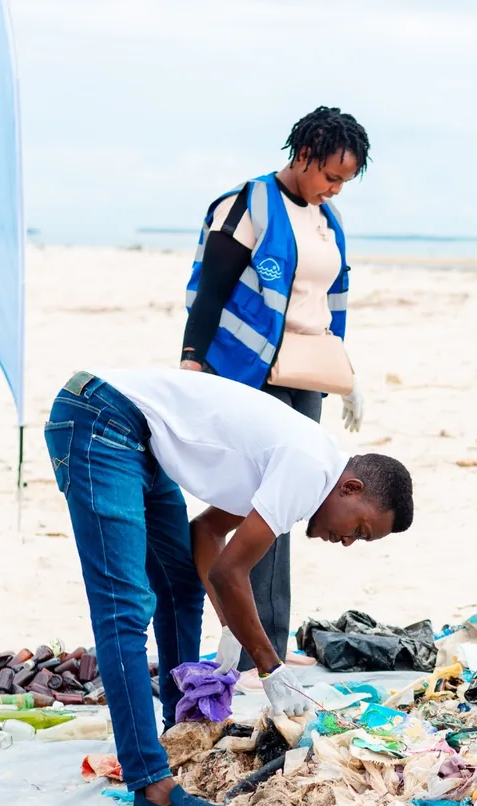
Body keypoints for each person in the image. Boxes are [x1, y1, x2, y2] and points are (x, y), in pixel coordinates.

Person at [44, 367, 415, 806]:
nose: (347, 542)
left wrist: (229, 629)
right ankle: (153, 789)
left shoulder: (309, 467)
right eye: (358, 529)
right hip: (105, 422)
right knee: (124, 609)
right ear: (351, 488)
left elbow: (207, 533)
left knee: (179, 583)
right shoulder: (309, 469)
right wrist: (269, 664)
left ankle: (180, 732)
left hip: (137, 434)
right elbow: (229, 569)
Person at [181, 106, 371, 670]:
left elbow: (326, 302)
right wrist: (192, 362)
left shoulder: (325, 219)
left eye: (344, 182)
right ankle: (242, 643)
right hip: (247, 372)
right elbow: (209, 290)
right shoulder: (248, 205)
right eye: (331, 175)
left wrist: (347, 376)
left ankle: (270, 643)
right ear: (305, 152)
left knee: (287, 506)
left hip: (304, 376)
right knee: (250, 503)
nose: (334, 189)